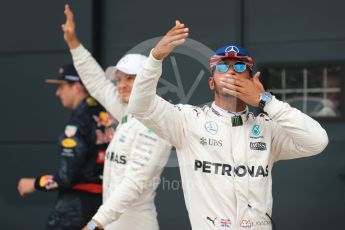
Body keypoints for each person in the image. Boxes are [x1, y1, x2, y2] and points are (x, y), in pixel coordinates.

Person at [127, 21, 329, 229]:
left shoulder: (266, 128)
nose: (231, 71)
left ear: (252, 80)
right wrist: (155, 58)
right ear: (211, 82)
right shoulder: (187, 121)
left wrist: (266, 101)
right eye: (222, 66)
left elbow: (317, 141)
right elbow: (140, 106)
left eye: (240, 66)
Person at [62, 5, 171, 230]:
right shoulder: (129, 113)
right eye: (119, 79)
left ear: (148, 80)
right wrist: (74, 43)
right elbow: (98, 84)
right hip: (111, 223)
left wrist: (95, 224)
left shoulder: (158, 121)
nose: (121, 85)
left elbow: (134, 183)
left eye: (130, 79)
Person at [17, 64, 113, 230]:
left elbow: (66, 177)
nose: (57, 92)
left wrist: (34, 183)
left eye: (61, 86)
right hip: (104, 208)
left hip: (75, 207)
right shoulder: (107, 115)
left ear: (77, 87)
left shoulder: (78, 122)